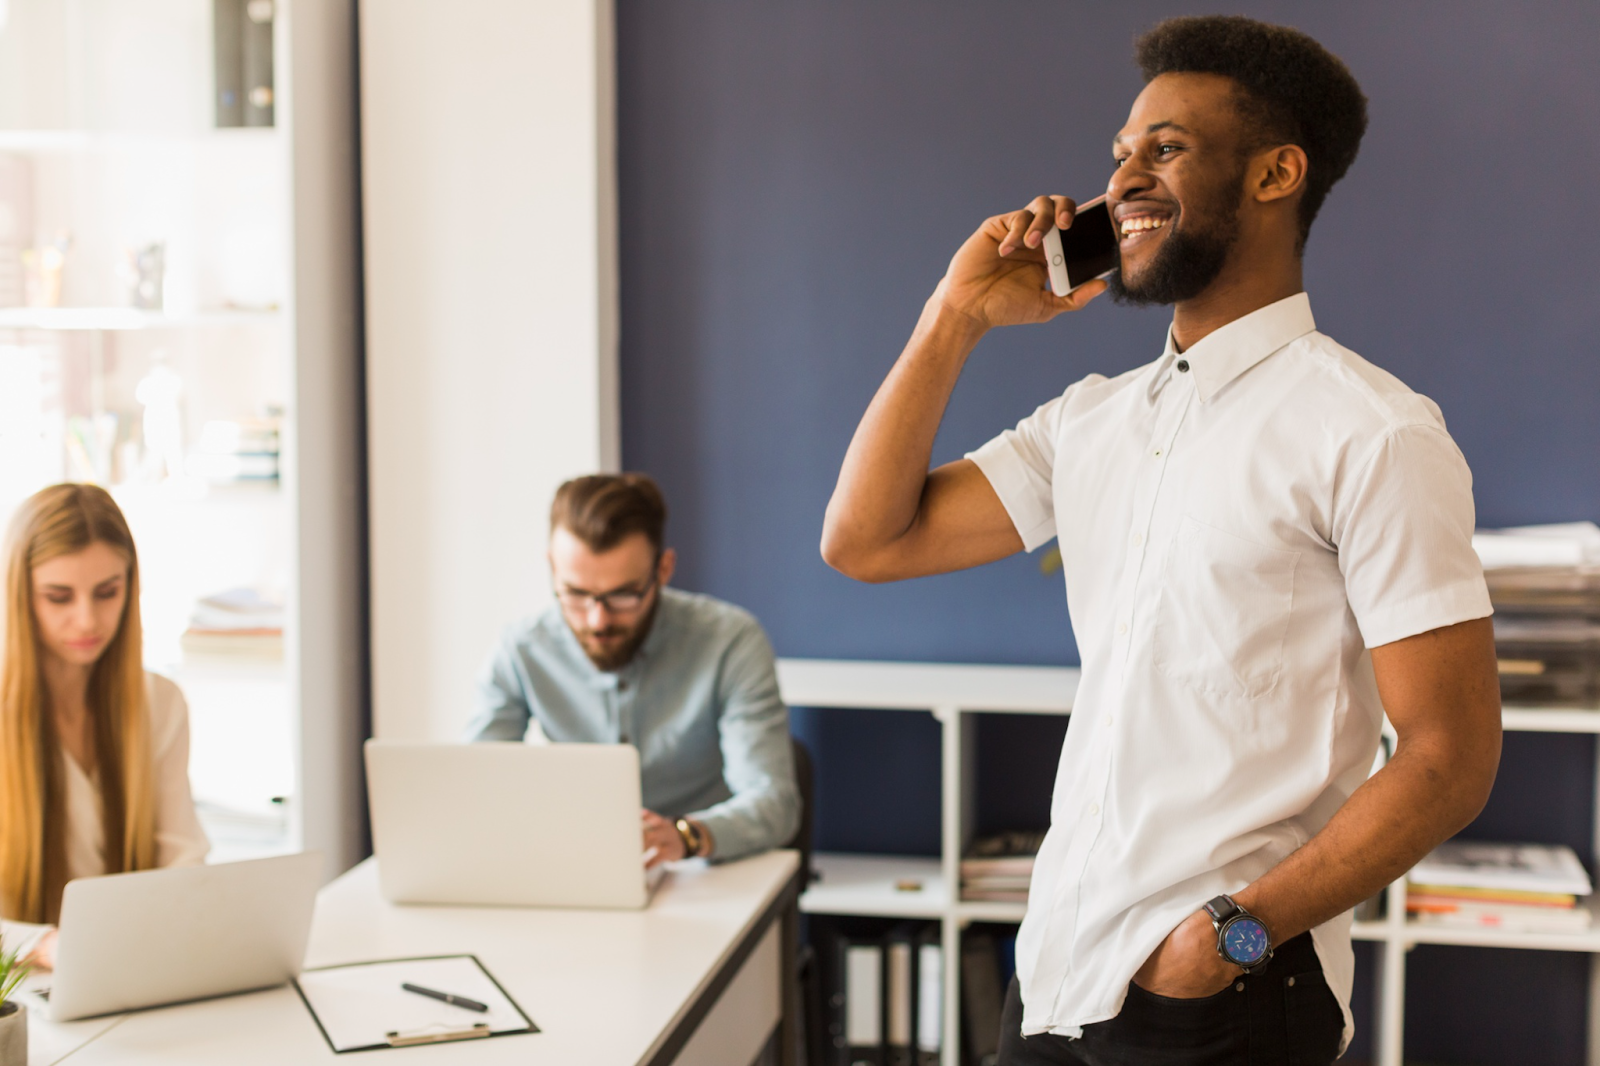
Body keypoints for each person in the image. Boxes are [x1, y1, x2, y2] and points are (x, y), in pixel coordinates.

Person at [821, 15, 1500, 1065]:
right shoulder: (1091, 419)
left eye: (1166, 149)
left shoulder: (1373, 431)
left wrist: (1226, 936)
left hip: (1219, 990)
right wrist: (955, 313)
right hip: (1058, 969)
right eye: (1120, 155)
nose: (1121, 179)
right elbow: (866, 540)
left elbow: (1450, 758)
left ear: (1276, 172)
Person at [469, 473, 800, 867]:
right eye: (575, 594)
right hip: (574, 865)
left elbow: (774, 803)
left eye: (623, 594)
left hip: (701, 869)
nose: (597, 620)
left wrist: (687, 836)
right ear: (552, 567)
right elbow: (478, 785)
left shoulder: (730, 641)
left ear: (663, 569)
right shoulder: (521, 649)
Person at [0, 484, 209, 968]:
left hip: (129, 971)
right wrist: (45, 946)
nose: (87, 619)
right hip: (21, 995)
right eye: (58, 597)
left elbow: (182, 860)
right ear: (19, 596)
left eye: (107, 592)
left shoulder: (159, 704)